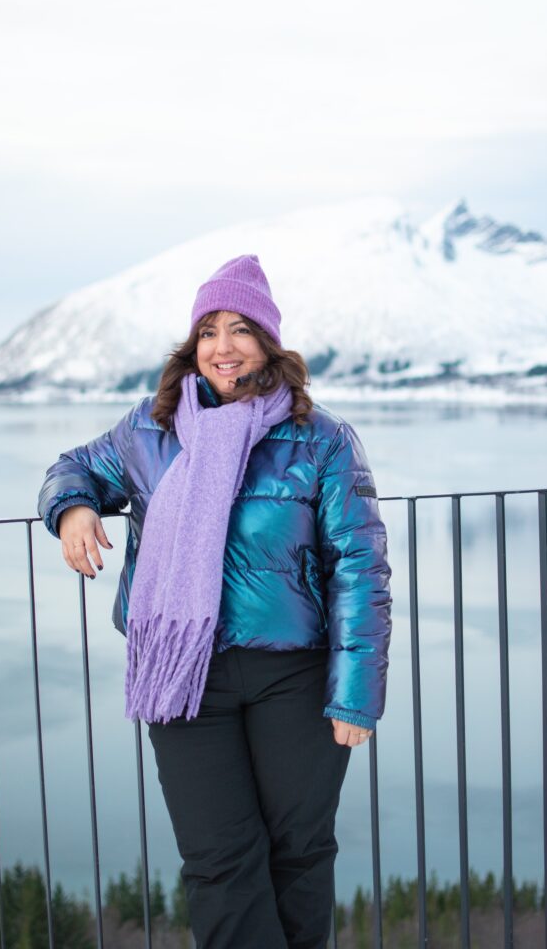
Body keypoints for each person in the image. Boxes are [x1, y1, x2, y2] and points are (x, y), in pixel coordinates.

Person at [37, 254, 392, 949]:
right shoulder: (150, 428)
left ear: (268, 342)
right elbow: (71, 467)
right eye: (207, 331)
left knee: (298, 852)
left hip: (293, 675)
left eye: (239, 329)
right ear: (191, 346)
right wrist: (72, 507)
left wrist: (356, 696)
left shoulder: (322, 440)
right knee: (218, 860)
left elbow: (359, 568)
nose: (222, 347)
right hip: (182, 676)